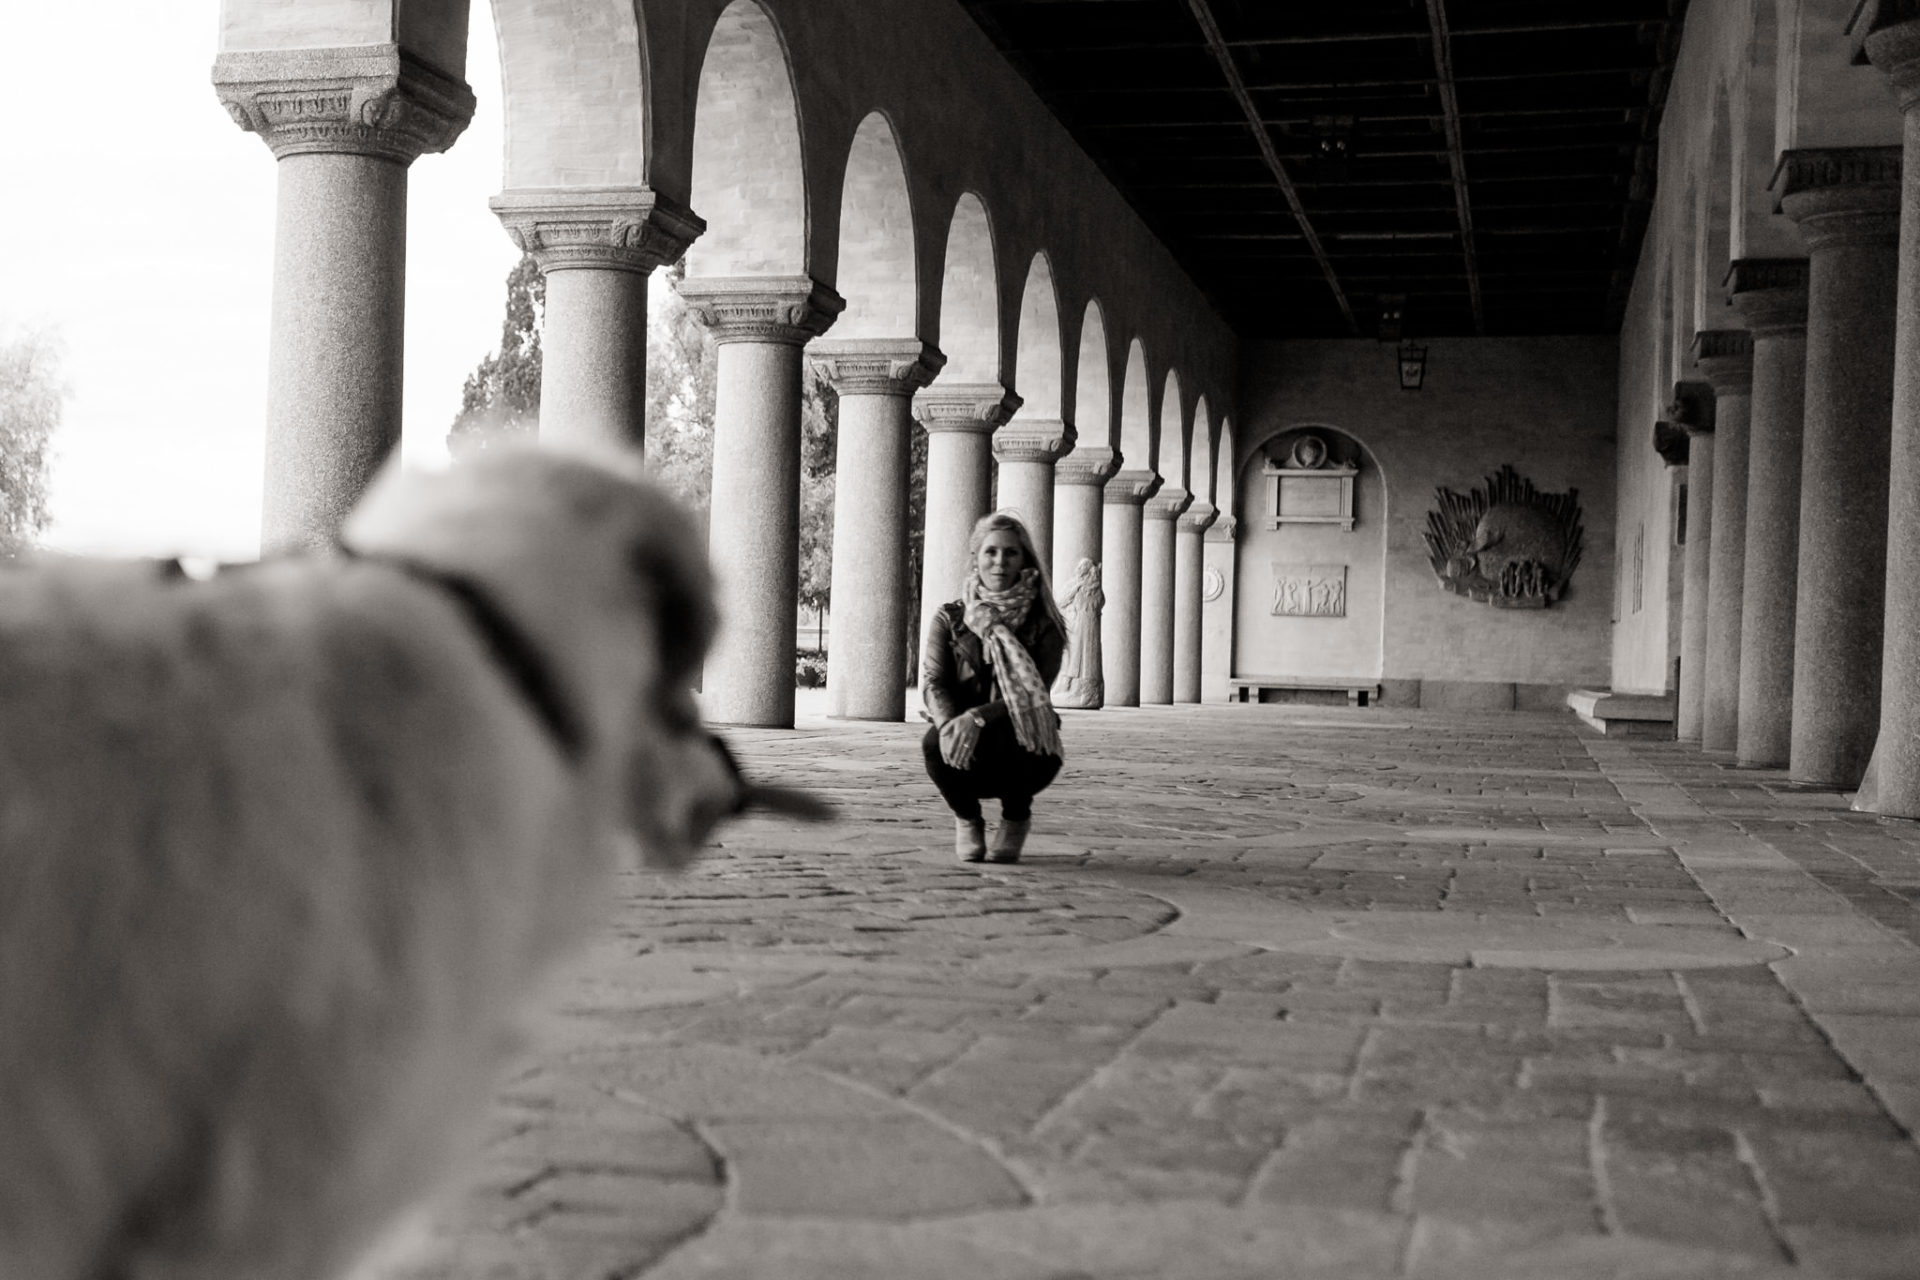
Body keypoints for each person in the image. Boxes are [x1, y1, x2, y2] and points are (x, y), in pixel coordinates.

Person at [921, 511, 1067, 863]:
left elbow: (1034, 693)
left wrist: (978, 717)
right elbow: (934, 682)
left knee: (1023, 740)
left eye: (1010, 553)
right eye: (991, 551)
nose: (1000, 561)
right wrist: (950, 724)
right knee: (933, 743)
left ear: (1023, 559)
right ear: (976, 557)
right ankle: (967, 818)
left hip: (1021, 736)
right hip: (965, 735)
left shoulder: (1045, 624)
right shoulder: (949, 618)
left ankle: (1016, 816)